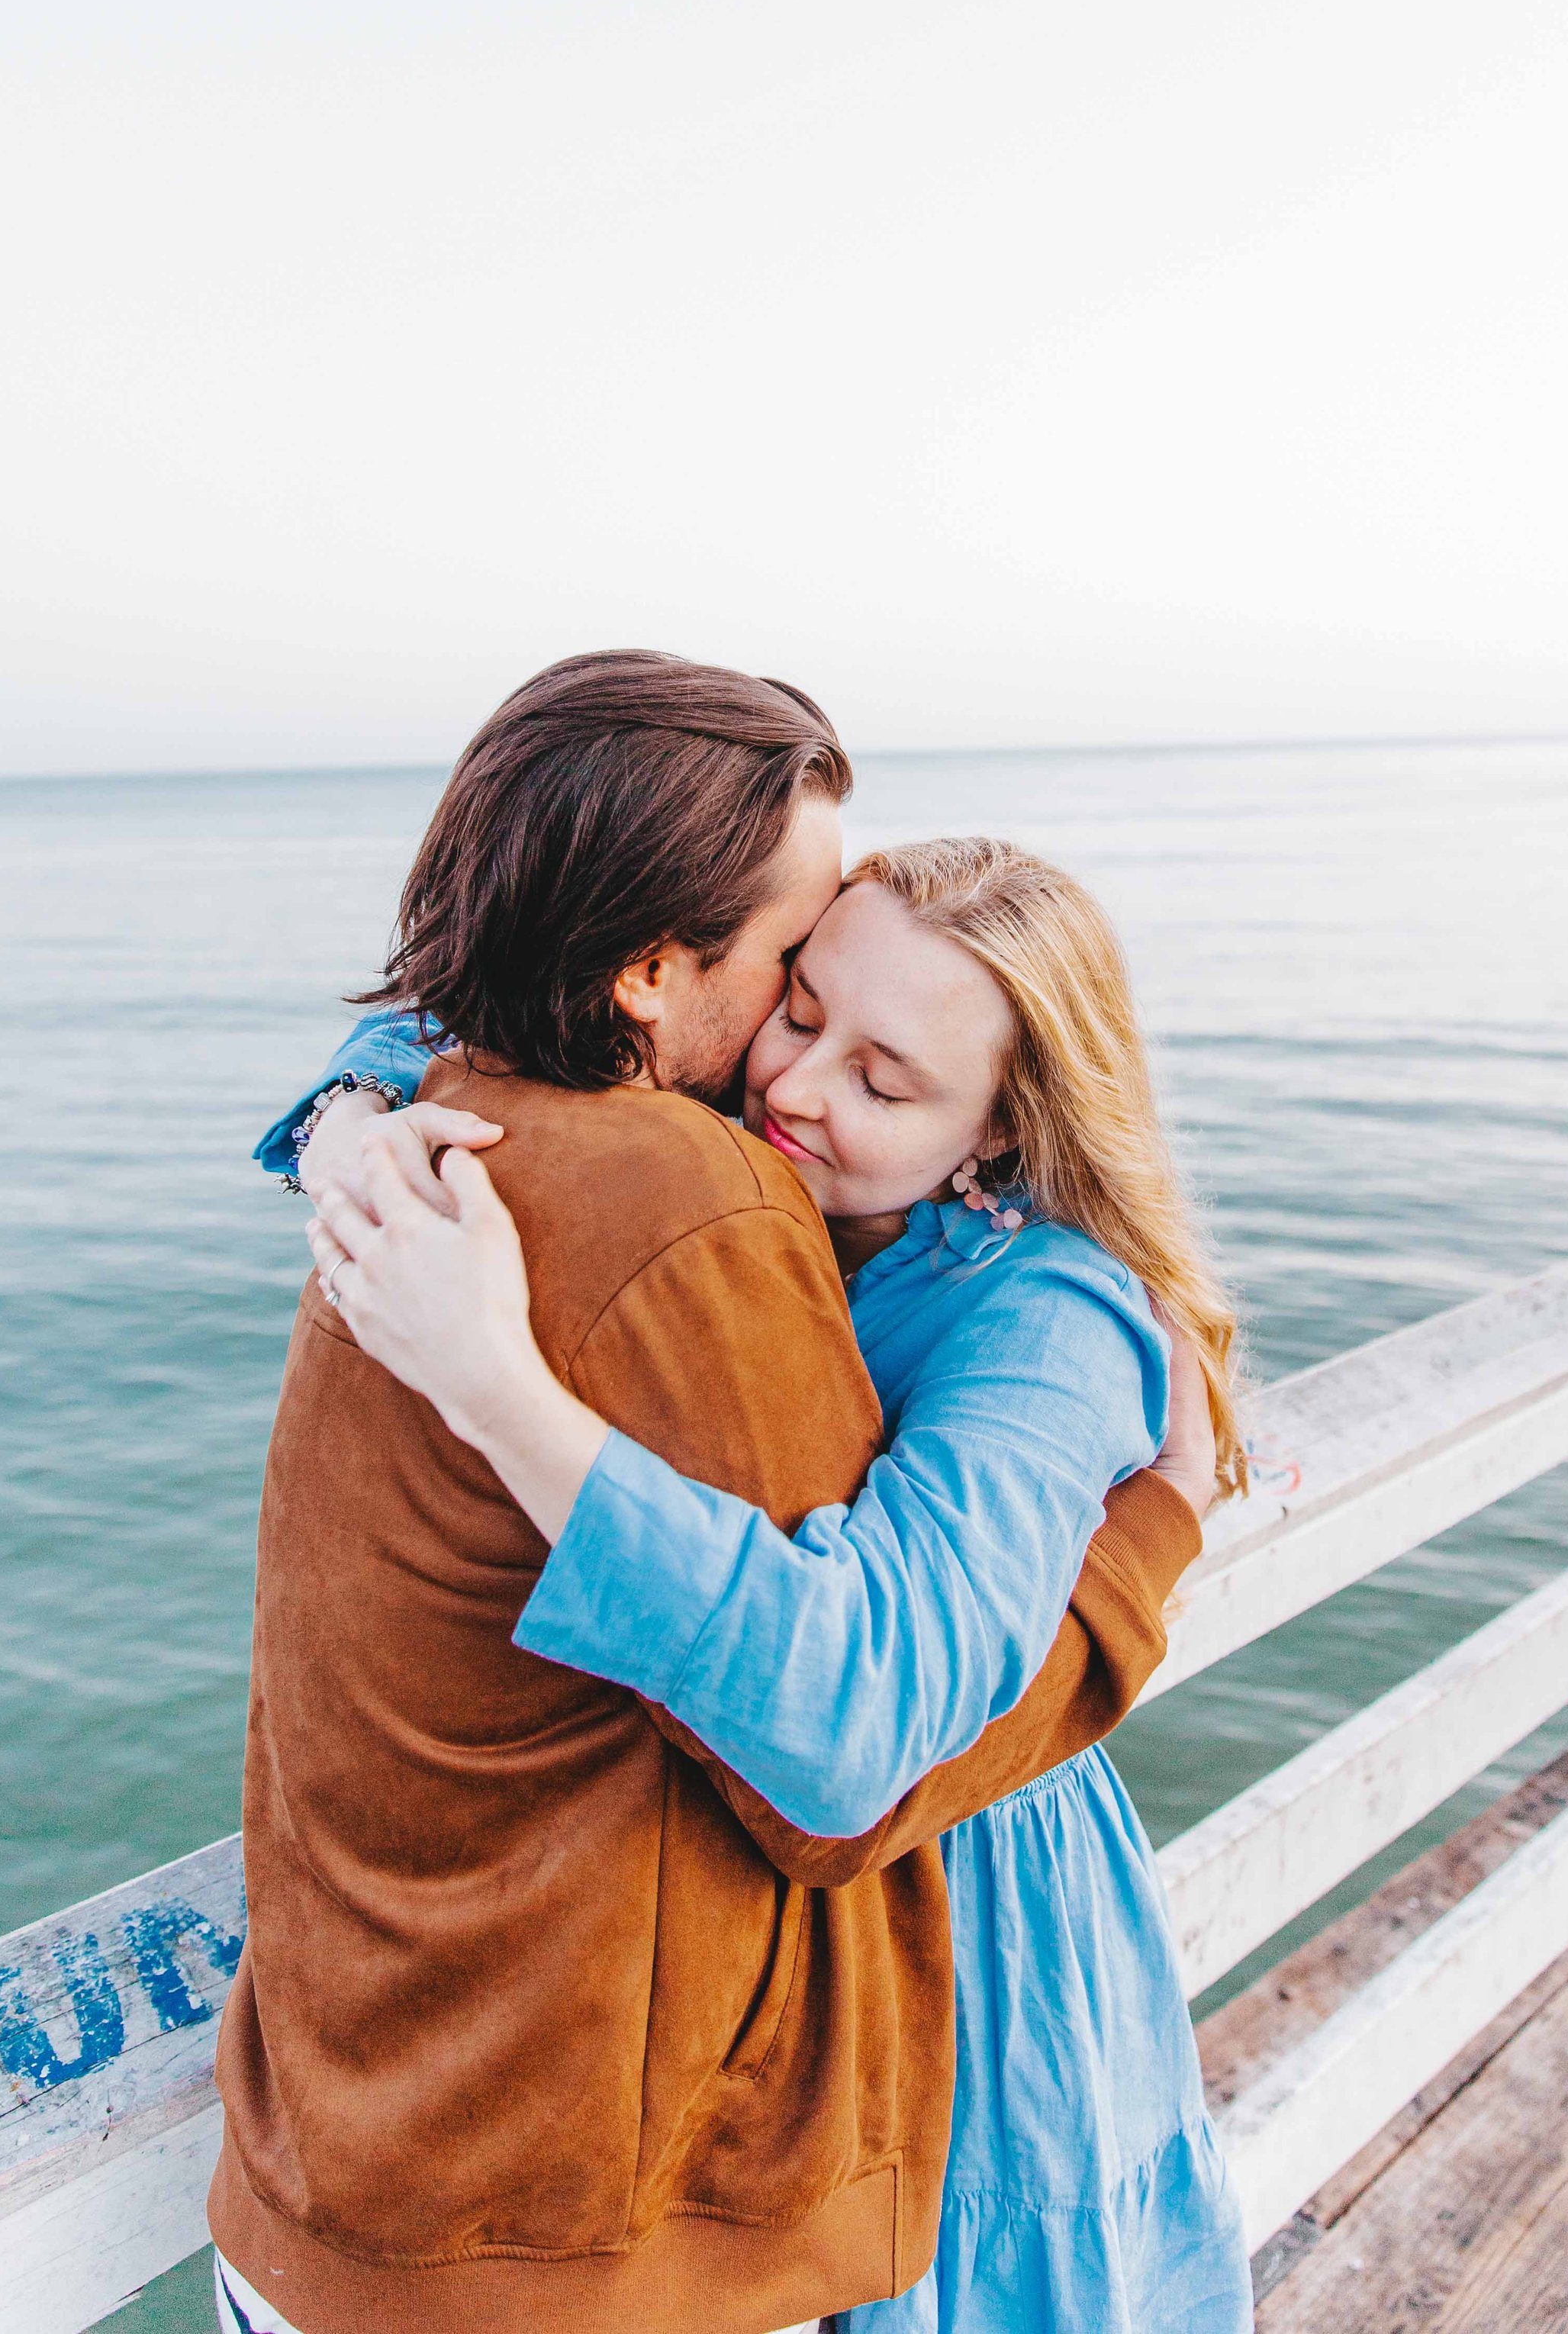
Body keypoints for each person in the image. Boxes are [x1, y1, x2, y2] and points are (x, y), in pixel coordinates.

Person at [212, 652, 1210, 2334]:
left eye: (888, 1081)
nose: (799, 1086)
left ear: (995, 1131)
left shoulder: (1035, 1315)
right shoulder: (745, 1202)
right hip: (793, 1913)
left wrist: (497, 1388)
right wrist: (345, 1127)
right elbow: (457, 1025)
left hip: (972, 1889)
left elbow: (858, 1721)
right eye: (801, 1003)